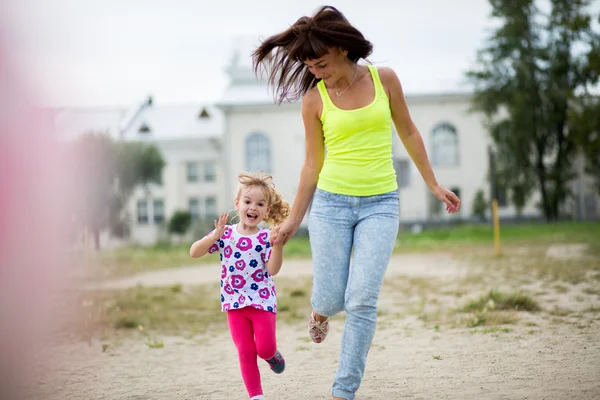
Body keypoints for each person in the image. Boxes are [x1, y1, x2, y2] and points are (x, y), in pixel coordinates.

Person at [252, 6, 461, 400]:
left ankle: (343, 391)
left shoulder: (385, 80)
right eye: (310, 66)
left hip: (381, 204)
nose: (317, 72)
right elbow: (312, 165)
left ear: (341, 48)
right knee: (332, 297)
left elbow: (410, 131)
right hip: (331, 204)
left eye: (322, 63)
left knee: (362, 299)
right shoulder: (314, 100)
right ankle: (319, 311)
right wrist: (294, 219)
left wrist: (433, 184)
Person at [189, 171, 290, 400]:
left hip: (262, 301)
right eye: (247, 201)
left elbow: (273, 270)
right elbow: (194, 252)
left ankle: (272, 355)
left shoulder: (265, 238)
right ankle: (256, 396)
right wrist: (213, 237)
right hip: (234, 303)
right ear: (238, 204)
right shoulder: (225, 235)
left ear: (267, 211)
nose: (252, 207)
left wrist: (279, 246)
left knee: (263, 349)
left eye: (260, 204)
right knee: (245, 351)